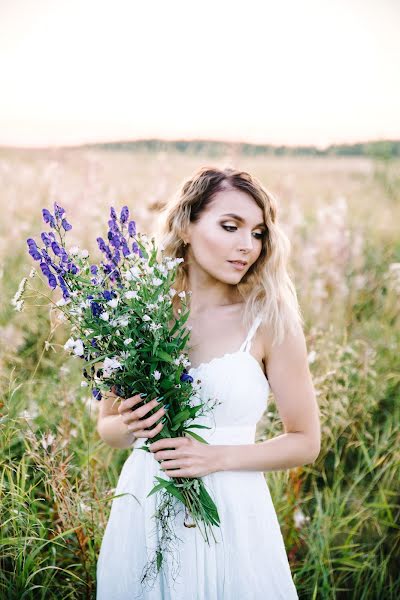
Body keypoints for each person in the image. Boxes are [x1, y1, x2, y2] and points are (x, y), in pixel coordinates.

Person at [96, 166, 321, 599]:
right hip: (145, 505)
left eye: (257, 233)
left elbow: (305, 441)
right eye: (230, 227)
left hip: (234, 513)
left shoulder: (269, 321)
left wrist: (215, 457)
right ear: (185, 225)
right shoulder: (139, 313)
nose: (247, 246)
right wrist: (132, 424)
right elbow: (108, 430)